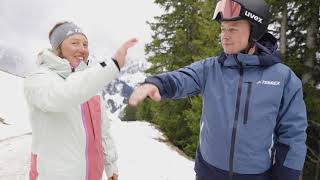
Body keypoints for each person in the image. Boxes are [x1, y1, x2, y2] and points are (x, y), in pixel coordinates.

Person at [129, 0, 307, 180]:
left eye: (233, 29)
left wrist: (286, 176)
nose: (224, 36)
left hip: (254, 175)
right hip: (209, 172)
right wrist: (157, 83)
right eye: (223, 28)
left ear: (255, 31)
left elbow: (293, 135)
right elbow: (184, 77)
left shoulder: (283, 79)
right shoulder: (211, 69)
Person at [24, 21, 137, 180]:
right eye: (74, 43)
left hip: (92, 174)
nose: (82, 49)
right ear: (58, 47)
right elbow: (62, 96)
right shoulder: (39, 79)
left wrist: (110, 165)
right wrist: (111, 65)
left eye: (85, 44)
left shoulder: (89, 84)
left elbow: (102, 130)